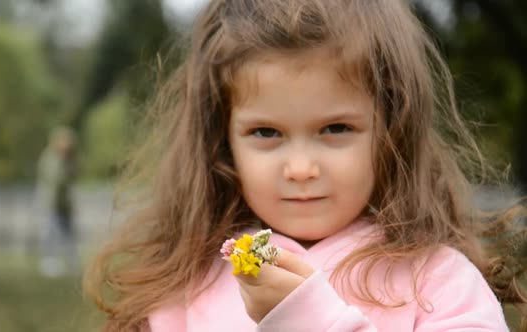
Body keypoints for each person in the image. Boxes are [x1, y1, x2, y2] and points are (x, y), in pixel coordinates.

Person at [84, 0, 527, 330]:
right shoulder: (187, 286)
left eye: (335, 129)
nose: (299, 168)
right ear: (221, 145)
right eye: (266, 133)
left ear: (392, 132)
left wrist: (312, 320)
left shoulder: (437, 279)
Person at [36, 126, 80, 277]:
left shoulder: (70, 159)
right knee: (50, 232)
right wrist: (53, 205)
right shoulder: (50, 159)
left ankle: (71, 261)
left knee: (68, 233)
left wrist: (70, 204)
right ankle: (48, 262)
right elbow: (54, 183)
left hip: (63, 204)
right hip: (51, 203)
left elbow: (70, 182)